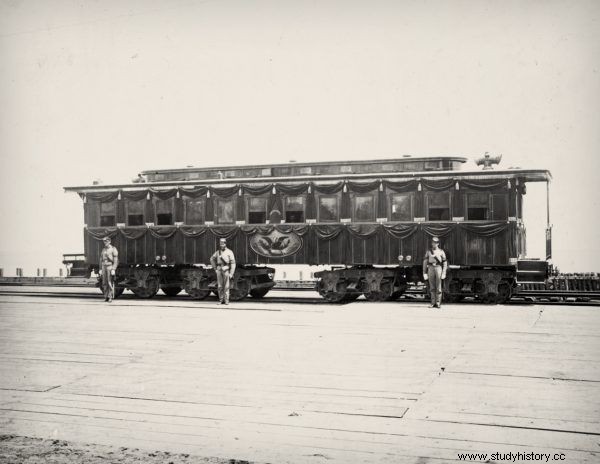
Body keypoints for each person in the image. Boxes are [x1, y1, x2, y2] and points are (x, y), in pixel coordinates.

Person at [422, 236, 447, 308]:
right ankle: (433, 303)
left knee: (438, 287)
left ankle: (438, 303)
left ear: (438, 244)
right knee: (432, 287)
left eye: (435, 243)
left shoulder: (441, 251)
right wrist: (424, 272)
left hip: (438, 268)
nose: (434, 244)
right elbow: (425, 262)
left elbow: (445, 262)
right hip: (430, 268)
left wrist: (444, 272)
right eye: (433, 243)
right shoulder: (428, 251)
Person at [210, 238, 236, 305]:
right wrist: (215, 268)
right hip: (219, 270)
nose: (222, 245)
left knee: (226, 286)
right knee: (220, 286)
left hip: (226, 269)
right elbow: (211, 259)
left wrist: (231, 273)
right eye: (221, 244)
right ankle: (221, 300)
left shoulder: (230, 252)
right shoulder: (218, 252)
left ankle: (226, 301)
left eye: (223, 243)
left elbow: (233, 263)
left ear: (225, 243)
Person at [100, 236, 119, 302]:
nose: (105, 242)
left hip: (109, 266)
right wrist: (100, 269)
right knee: (104, 282)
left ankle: (110, 296)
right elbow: (101, 259)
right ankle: (106, 296)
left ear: (109, 241)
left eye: (106, 241)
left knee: (109, 282)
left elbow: (116, 260)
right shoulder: (103, 249)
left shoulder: (113, 249)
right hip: (103, 266)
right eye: (104, 241)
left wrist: (113, 268)